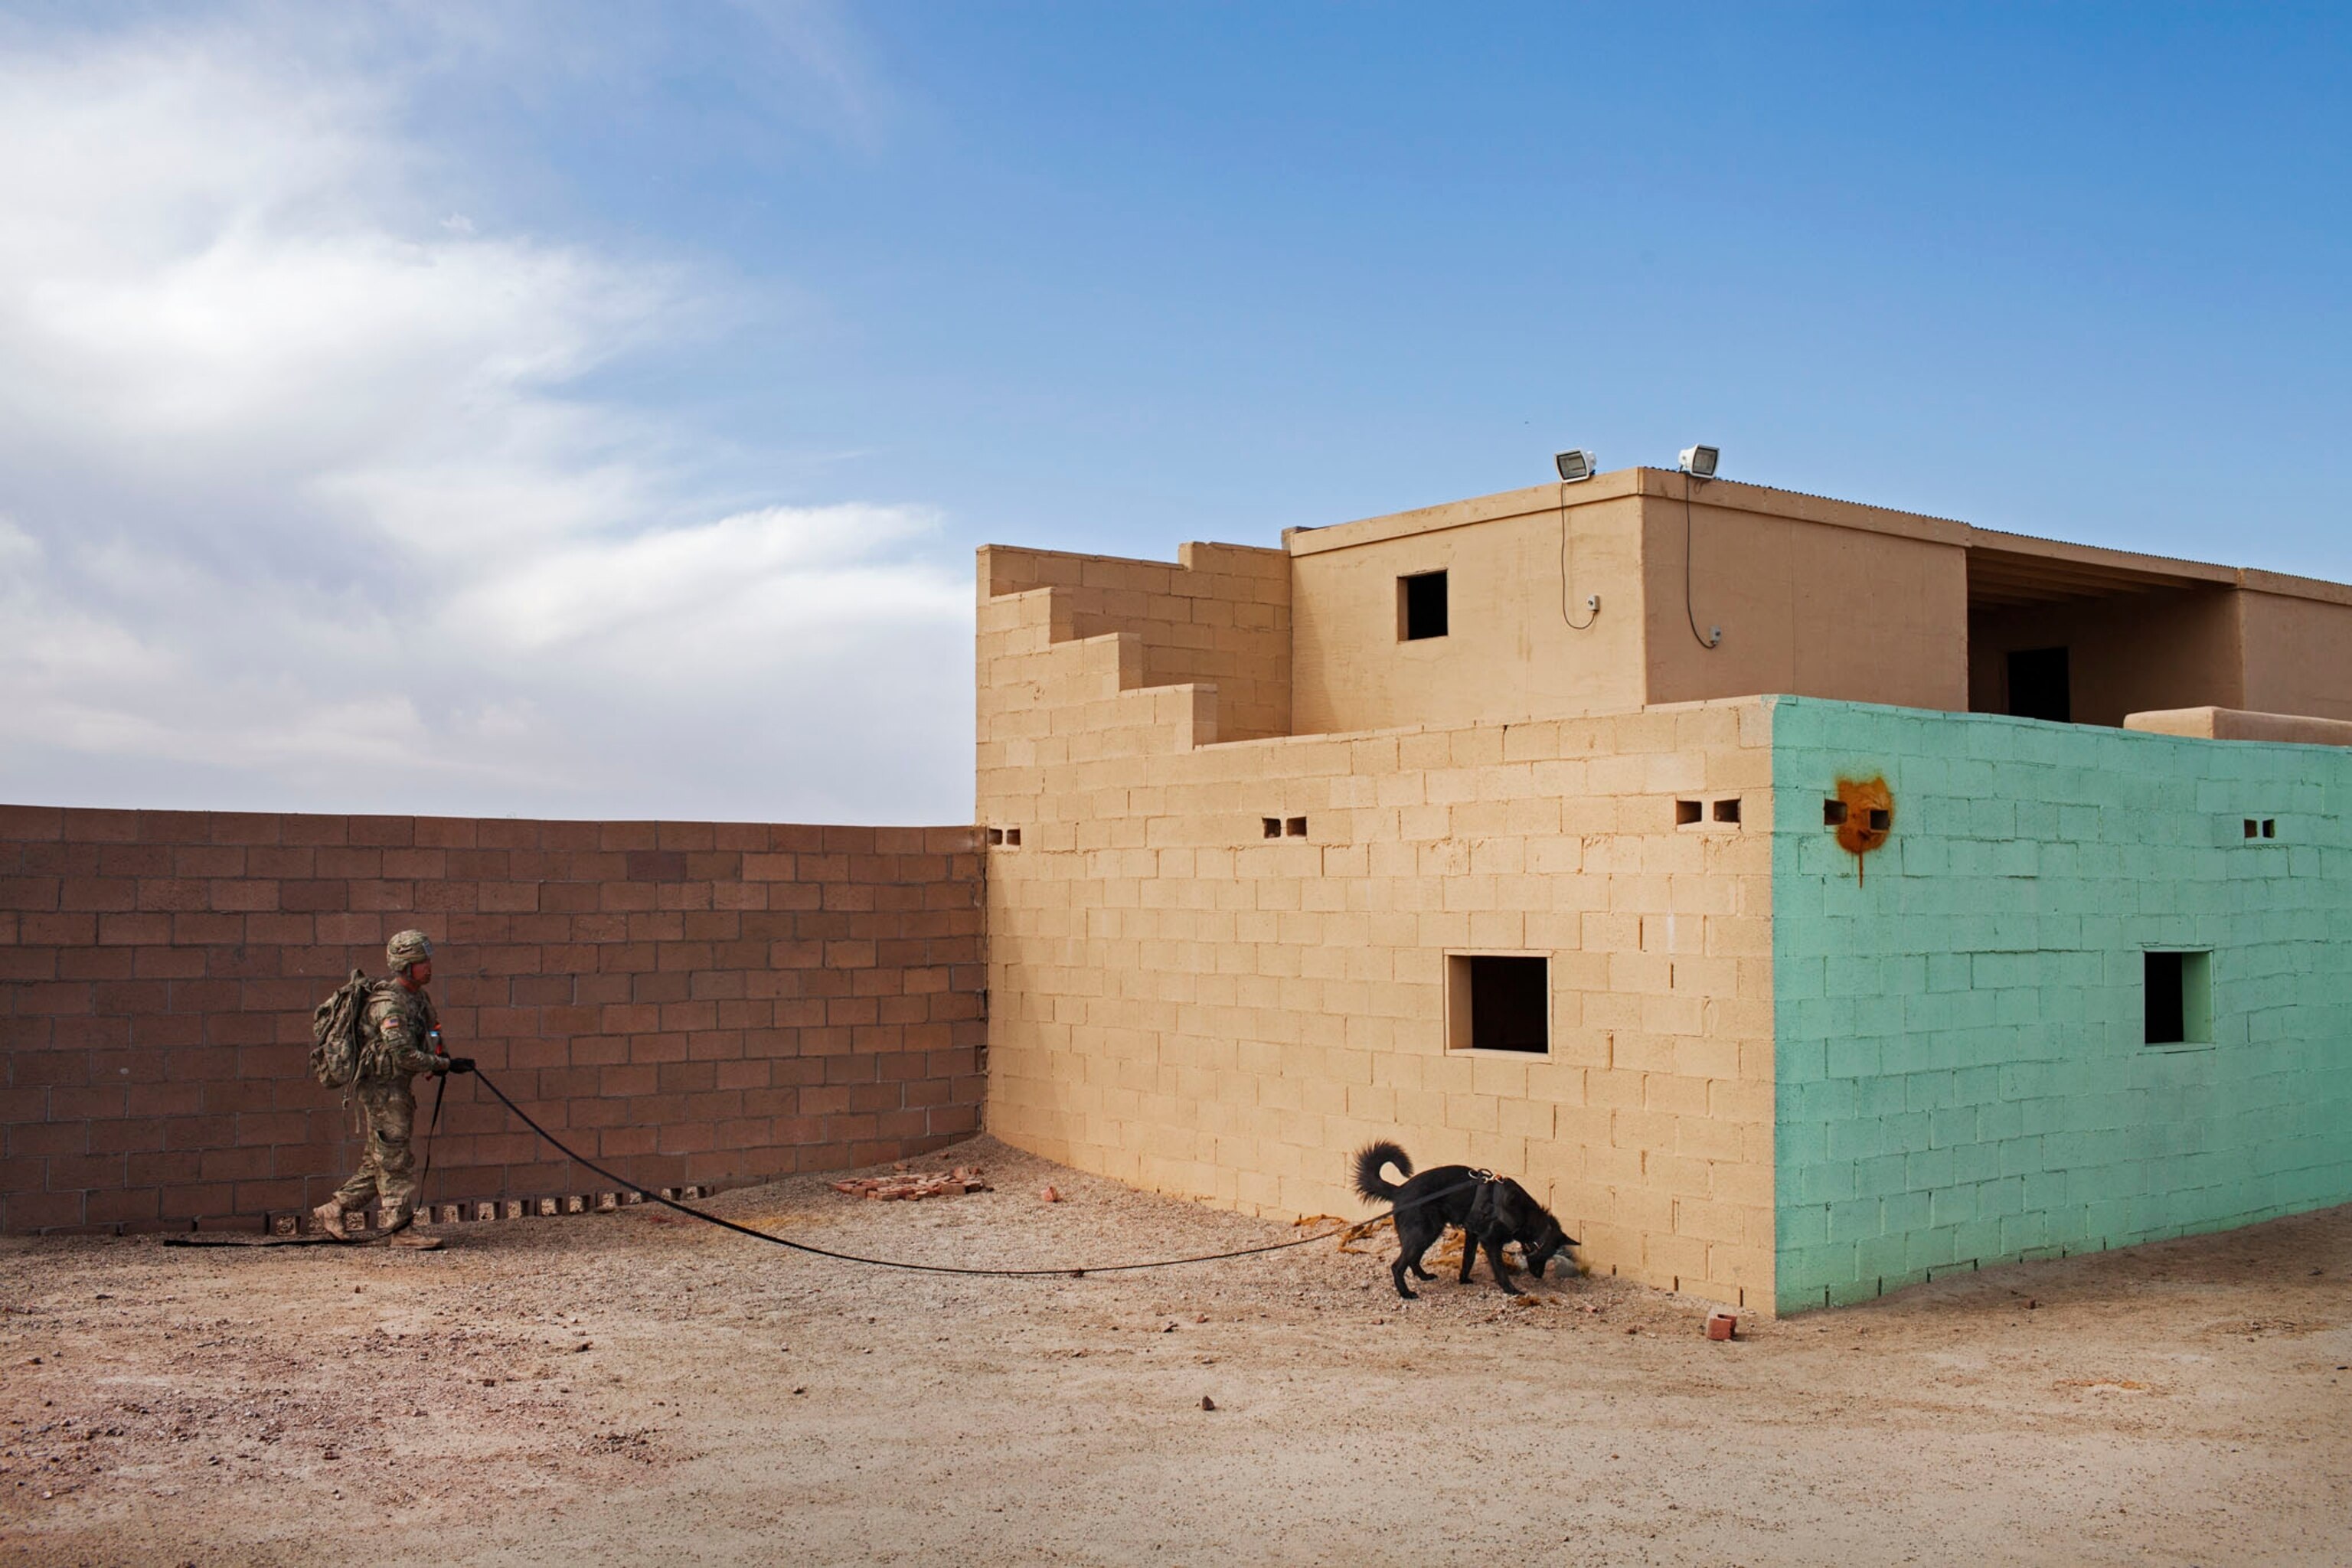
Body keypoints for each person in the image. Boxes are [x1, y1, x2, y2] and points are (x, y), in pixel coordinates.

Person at [312, 929, 474, 1246]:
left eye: (427, 960)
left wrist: (440, 1055)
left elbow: (432, 1030)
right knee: (396, 1158)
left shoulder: (419, 998)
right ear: (405, 966)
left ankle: (334, 1209)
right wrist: (440, 1065)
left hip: (398, 1088)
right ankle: (401, 1231)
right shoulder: (388, 1004)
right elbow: (402, 1053)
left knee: (380, 1160)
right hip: (382, 1090)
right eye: (421, 962)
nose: (428, 967)